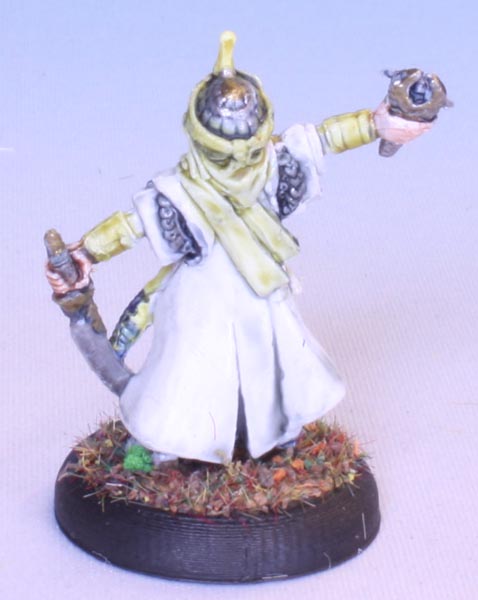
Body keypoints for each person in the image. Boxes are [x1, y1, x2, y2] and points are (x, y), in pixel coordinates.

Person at [47, 32, 433, 464]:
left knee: (274, 364)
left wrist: (377, 124)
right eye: (224, 155)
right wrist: (86, 252)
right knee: (189, 370)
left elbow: (325, 137)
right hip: (201, 296)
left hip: (261, 292)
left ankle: (277, 435)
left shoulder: (271, 162)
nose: (237, 163)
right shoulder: (179, 191)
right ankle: (172, 443)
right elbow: (131, 224)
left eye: (246, 152)